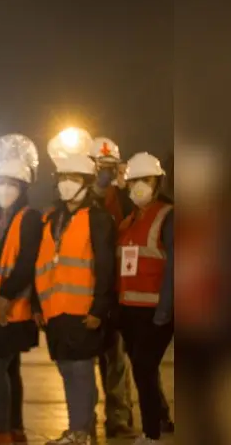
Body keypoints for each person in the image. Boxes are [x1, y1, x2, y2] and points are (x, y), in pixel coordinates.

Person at [36, 153, 115, 445]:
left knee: (80, 371)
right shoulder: (51, 218)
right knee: (67, 370)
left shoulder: (98, 218)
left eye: (75, 178)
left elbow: (106, 268)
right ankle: (78, 428)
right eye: (63, 178)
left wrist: (99, 308)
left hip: (83, 311)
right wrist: (37, 305)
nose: (67, 184)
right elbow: (42, 263)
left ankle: (80, 431)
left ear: (88, 183)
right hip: (54, 311)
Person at [0, 158, 42, 444]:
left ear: (23, 188)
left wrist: (6, 295)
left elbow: (26, 262)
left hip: (11, 306)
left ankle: (3, 430)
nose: (4, 189)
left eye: (12, 184)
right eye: (0, 183)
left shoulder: (28, 218)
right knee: (10, 367)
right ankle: (16, 429)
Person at [115, 152, 174, 445]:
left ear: (158, 182)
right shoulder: (128, 222)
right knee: (142, 370)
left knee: (144, 367)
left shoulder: (168, 216)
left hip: (156, 311)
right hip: (130, 312)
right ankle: (158, 420)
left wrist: (165, 310)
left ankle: (151, 432)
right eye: (134, 180)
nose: (139, 186)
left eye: (146, 180)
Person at [87, 137, 138, 439]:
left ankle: (119, 418)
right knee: (86, 361)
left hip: (119, 291)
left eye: (110, 167)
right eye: (100, 167)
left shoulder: (126, 199)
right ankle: (84, 418)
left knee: (117, 361)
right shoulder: (84, 201)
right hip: (90, 290)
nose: (105, 173)